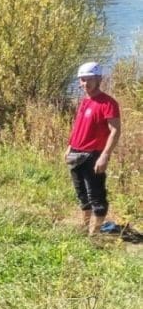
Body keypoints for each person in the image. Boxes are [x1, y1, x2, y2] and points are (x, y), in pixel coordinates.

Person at [66, 61, 121, 236]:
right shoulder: (85, 101)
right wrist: (70, 146)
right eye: (82, 80)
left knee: (96, 196)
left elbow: (115, 130)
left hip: (93, 155)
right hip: (76, 154)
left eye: (89, 79)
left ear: (99, 79)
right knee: (82, 195)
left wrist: (104, 155)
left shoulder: (108, 103)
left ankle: (94, 234)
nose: (85, 83)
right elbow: (79, 126)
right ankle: (84, 228)